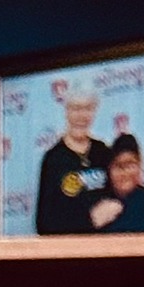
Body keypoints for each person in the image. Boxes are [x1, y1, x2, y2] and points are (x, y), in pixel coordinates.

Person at [34, 90, 110, 235]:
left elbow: (124, 192)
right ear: (66, 112)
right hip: (71, 248)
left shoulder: (103, 152)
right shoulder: (54, 159)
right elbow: (44, 222)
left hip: (105, 246)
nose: (81, 115)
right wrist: (89, 221)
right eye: (76, 109)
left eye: (87, 108)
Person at [91, 134, 144, 233]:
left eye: (130, 165)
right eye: (118, 166)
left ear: (140, 166)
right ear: (109, 170)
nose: (125, 173)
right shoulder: (94, 202)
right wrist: (92, 223)